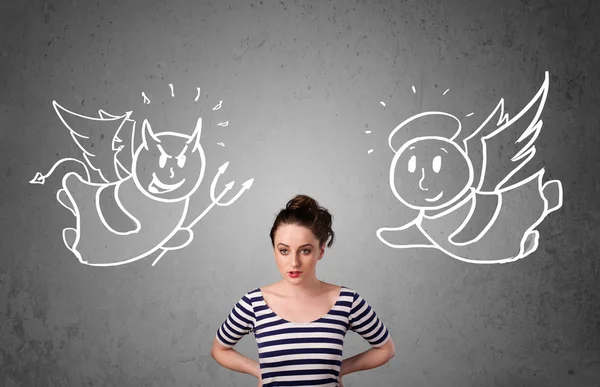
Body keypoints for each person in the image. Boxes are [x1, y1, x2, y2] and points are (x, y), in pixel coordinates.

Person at [210, 194, 395, 386]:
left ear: (321, 250)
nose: (294, 262)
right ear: (274, 250)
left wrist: (338, 370)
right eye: (284, 250)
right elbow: (219, 349)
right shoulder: (253, 303)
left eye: (305, 250)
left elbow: (385, 349)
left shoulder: (347, 301)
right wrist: (260, 372)